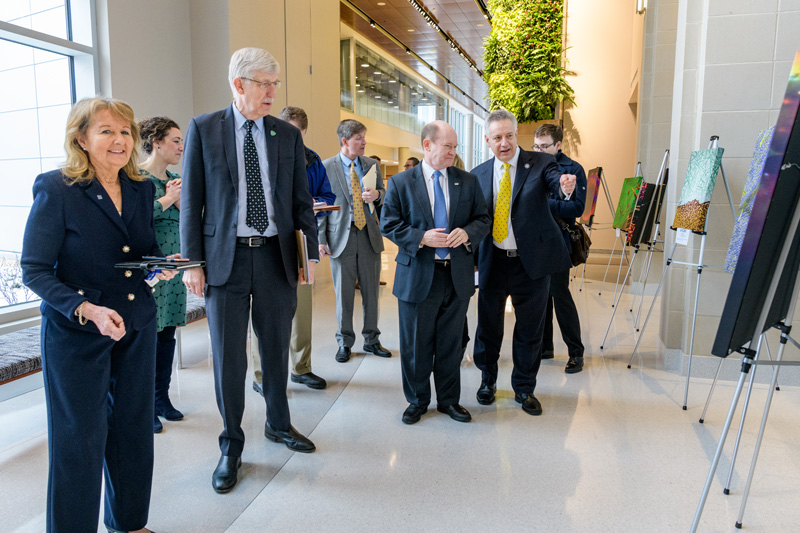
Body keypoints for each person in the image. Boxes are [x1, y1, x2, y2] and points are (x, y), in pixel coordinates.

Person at [21, 97, 174, 533]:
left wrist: (162, 263)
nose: (119, 139)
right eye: (106, 130)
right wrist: (85, 308)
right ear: (81, 139)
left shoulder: (143, 187)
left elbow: (142, 249)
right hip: (77, 332)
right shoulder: (57, 188)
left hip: (135, 326)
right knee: (79, 440)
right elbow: (34, 269)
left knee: (132, 432)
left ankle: (129, 523)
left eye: (125, 131)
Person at [180, 47, 320, 495]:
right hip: (226, 260)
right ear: (239, 85)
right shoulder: (205, 128)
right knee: (228, 358)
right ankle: (231, 445)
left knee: (276, 347)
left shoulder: (285, 134)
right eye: (265, 83)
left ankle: (279, 424)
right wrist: (193, 263)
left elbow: (301, 201)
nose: (272, 92)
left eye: (275, 84)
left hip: (276, 257)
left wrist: (309, 255)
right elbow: (191, 204)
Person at [381, 121, 489, 425]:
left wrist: (467, 233)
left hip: (456, 275)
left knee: (450, 343)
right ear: (427, 145)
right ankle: (417, 400)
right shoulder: (401, 183)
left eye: (455, 147)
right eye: (448, 146)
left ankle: (449, 401)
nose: (454, 152)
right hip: (417, 274)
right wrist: (420, 237)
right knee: (416, 343)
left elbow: (483, 219)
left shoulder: (466, 182)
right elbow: (388, 223)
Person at [471, 109, 576, 416]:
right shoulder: (478, 174)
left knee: (530, 328)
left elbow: (555, 181)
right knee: (488, 326)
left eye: (509, 135)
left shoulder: (540, 163)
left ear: (517, 135)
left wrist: (566, 187)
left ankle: (524, 387)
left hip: (531, 263)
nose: (504, 143)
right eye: (497, 137)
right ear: (488, 140)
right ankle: (487, 380)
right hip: (493, 261)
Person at [250, 106, 335, 394]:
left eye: (296, 133)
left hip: (299, 239)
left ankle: (301, 367)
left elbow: (327, 195)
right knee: (263, 313)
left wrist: (314, 204)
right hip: (266, 241)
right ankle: (262, 376)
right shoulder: (260, 153)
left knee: (301, 308)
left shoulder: (312, 160)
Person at [319, 120, 390, 363]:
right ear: (345, 141)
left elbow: (383, 194)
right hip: (341, 237)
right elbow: (322, 207)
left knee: (371, 293)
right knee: (344, 295)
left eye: (364, 137)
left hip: (369, 235)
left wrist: (377, 195)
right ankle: (344, 342)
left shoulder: (371, 164)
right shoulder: (326, 167)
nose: (364, 142)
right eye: (359, 138)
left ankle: (371, 340)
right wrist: (320, 239)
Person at [139, 116, 186, 433]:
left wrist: (180, 202)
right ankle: (143, 407)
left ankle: (161, 398)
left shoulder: (177, 178)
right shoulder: (136, 179)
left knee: (167, 334)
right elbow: (135, 218)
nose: (181, 147)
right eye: (175, 140)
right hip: (149, 268)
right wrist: (168, 198)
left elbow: (191, 219)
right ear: (157, 142)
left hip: (175, 267)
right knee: (146, 339)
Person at [533, 124, 587, 374]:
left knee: (559, 293)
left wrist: (545, 205)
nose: (540, 150)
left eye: (544, 146)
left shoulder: (573, 170)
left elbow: (576, 209)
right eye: (536, 146)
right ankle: (545, 347)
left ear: (558, 146)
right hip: (534, 241)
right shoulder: (531, 165)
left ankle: (576, 351)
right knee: (540, 295)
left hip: (559, 241)